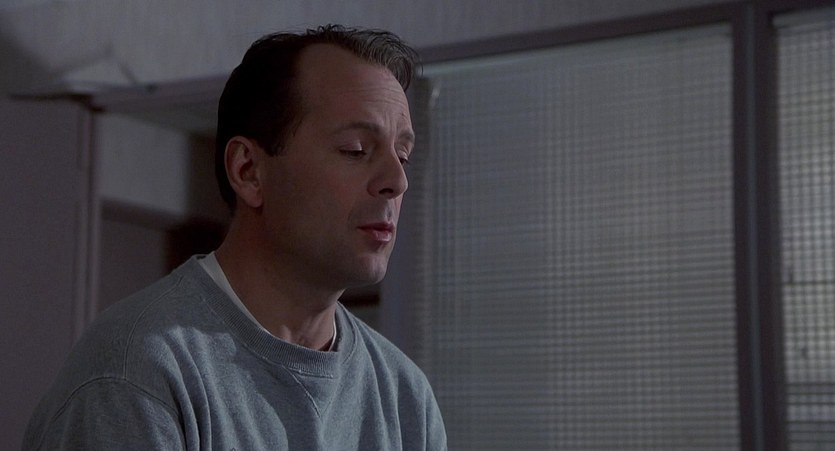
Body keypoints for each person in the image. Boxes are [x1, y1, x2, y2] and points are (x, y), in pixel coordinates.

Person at [23, 25, 447, 450]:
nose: (397, 181)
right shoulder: (139, 372)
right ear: (248, 171)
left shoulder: (404, 398)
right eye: (355, 149)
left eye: (403, 155)